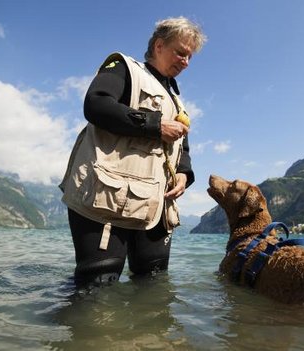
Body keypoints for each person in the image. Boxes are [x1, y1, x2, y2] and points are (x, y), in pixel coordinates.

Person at [59, 17, 206, 288]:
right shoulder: (124, 68)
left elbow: (181, 146)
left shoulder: (177, 100)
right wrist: (154, 125)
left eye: (189, 57)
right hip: (107, 198)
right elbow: (95, 104)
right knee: (97, 286)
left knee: (154, 285)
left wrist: (185, 174)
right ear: (159, 46)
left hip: (157, 205)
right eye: (180, 53)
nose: (186, 62)